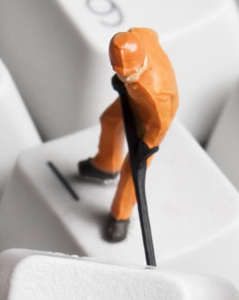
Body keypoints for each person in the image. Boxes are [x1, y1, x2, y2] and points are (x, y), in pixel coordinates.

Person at [76, 27, 178, 243]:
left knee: (133, 167)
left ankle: (120, 216)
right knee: (110, 120)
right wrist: (125, 84)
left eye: (126, 73)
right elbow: (152, 34)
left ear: (139, 65)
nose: (121, 75)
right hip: (133, 99)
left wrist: (147, 145)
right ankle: (105, 165)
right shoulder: (136, 36)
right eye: (117, 71)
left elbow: (162, 123)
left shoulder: (155, 92)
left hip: (151, 119)